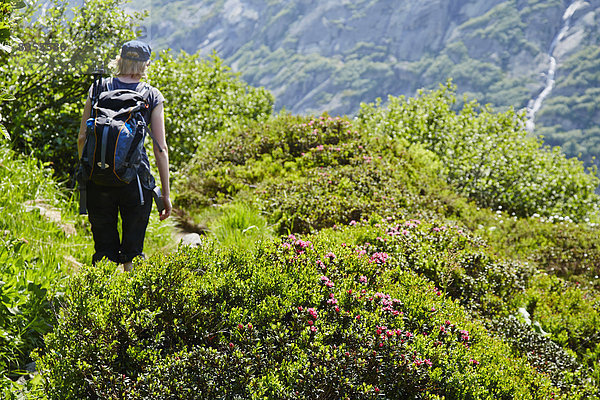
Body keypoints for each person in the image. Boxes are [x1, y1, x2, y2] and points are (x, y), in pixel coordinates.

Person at [77, 40, 172, 271]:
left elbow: (82, 138)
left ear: (119, 59)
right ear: (146, 63)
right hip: (136, 181)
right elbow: (161, 149)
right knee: (132, 252)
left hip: (98, 177)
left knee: (103, 250)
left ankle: (98, 300)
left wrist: (88, 171)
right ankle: (130, 302)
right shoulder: (151, 95)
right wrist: (166, 195)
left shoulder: (98, 88)